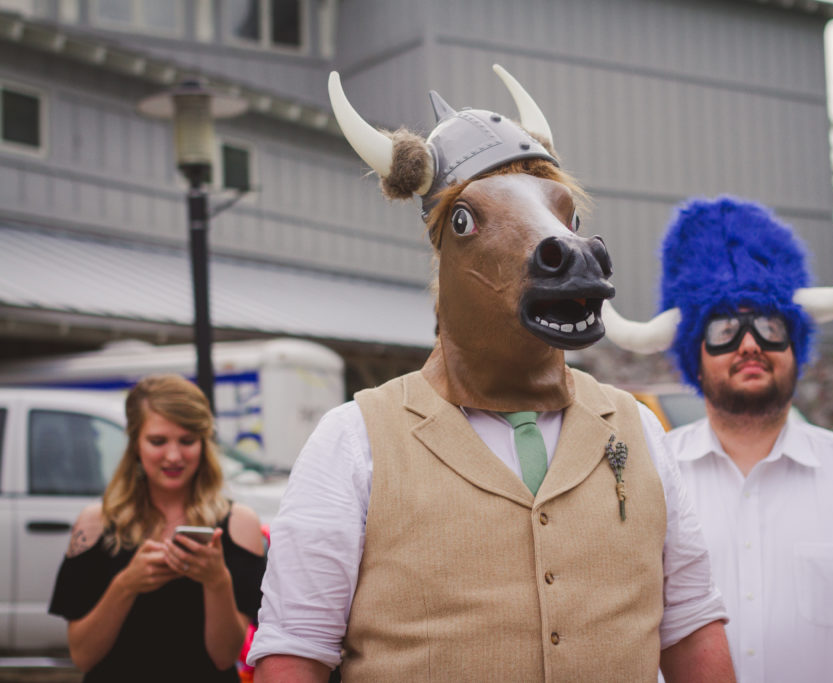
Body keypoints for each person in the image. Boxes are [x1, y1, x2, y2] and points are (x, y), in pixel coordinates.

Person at [249, 68, 734, 682]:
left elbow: (691, 625)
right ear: (446, 256)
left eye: (564, 221)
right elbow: (296, 652)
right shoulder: (354, 441)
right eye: (468, 220)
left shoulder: (637, 429)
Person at [605, 196, 833, 682]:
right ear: (695, 355)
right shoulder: (651, 474)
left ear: (796, 345)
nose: (750, 344)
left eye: (770, 326)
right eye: (724, 328)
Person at [49, 374, 267, 683]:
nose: (174, 456)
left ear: (204, 445)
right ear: (135, 443)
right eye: (158, 441)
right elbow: (83, 656)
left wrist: (217, 582)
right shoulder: (96, 523)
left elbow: (224, 656)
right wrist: (126, 584)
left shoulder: (237, 524)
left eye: (188, 441)